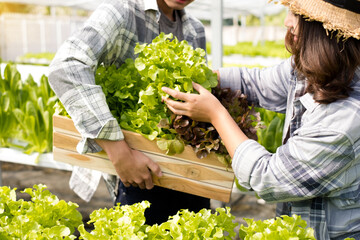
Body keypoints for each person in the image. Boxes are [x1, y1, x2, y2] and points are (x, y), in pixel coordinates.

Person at [162, 0, 360, 239]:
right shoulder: (316, 68)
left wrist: (216, 114)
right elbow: (255, 83)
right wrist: (198, 77)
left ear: (325, 31)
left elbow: (269, 178)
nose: (288, 22)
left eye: (298, 15)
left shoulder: (345, 117)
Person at [48, 0, 211, 225]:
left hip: (188, 174)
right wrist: (118, 150)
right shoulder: (122, 11)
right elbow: (66, 66)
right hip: (136, 171)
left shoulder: (195, 30)